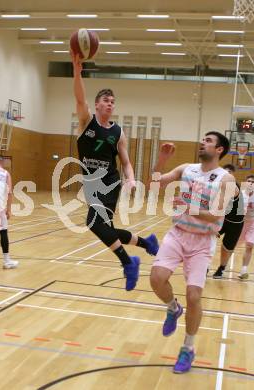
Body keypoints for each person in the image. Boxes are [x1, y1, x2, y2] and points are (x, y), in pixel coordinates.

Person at [71, 52, 158, 291]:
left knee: (94, 223)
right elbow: (79, 99)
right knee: (105, 228)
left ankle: (128, 263)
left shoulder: (118, 132)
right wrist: (77, 72)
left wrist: (130, 179)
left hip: (109, 181)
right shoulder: (86, 121)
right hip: (90, 182)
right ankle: (146, 243)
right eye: (106, 100)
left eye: (113, 101)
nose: (110, 104)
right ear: (97, 104)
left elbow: (126, 162)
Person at [150, 132, 235, 374]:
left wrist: (189, 206)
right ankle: (172, 307)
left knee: (194, 296)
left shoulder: (226, 179)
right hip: (178, 233)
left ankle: (187, 348)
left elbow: (216, 214)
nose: (202, 142)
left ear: (219, 149)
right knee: (156, 278)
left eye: (209, 140)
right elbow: (155, 183)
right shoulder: (187, 168)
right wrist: (162, 159)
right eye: (203, 139)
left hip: (202, 241)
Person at [213, 164, 245, 279]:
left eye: (229, 173)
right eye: (225, 173)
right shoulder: (220, 185)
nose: (227, 175)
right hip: (224, 220)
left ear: (233, 174)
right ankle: (204, 266)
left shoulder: (234, 186)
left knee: (226, 248)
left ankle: (221, 268)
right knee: (209, 237)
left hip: (236, 224)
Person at [238, 174, 254, 280]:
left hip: (253, 222)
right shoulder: (240, 195)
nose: (251, 183)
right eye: (249, 181)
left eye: (253, 181)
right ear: (245, 183)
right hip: (241, 223)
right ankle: (222, 267)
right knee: (231, 246)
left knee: (250, 246)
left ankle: (244, 270)